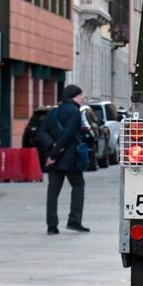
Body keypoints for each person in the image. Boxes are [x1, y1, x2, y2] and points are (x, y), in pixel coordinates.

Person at [40, 84, 90, 235]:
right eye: (81, 96)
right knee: (78, 185)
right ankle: (74, 221)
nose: (82, 99)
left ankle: (51, 226)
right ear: (74, 96)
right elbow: (67, 135)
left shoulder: (53, 112)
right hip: (70, 159)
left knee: (53, 192)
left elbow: (41, 132)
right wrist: (55, 153)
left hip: (54, 160)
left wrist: (51, 147)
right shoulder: (75, 112)